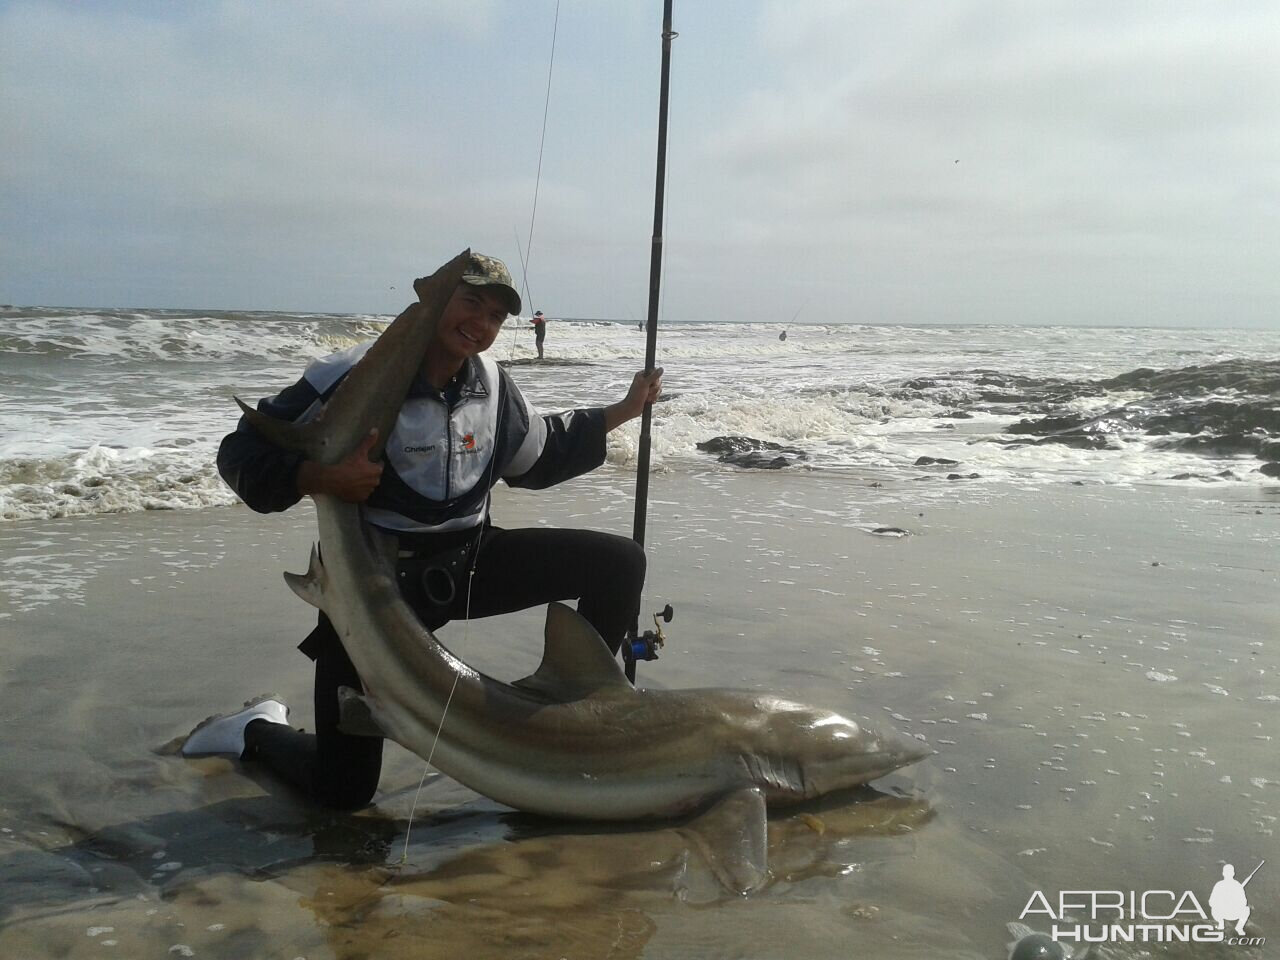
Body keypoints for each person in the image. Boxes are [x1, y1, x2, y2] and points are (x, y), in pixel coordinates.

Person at [182, 252, 663, 810]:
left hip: (469, 561)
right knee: (344, 792)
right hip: (373, 585)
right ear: (437, 301)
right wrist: (320, 476)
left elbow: (539, 455)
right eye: (471, 303)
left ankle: (585, 720)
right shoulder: (355, 373)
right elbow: (240, 450)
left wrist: (624, 410)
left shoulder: (494, 386)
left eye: (495, 317)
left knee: (619, 562)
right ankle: (253, 730)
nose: (481, 325)